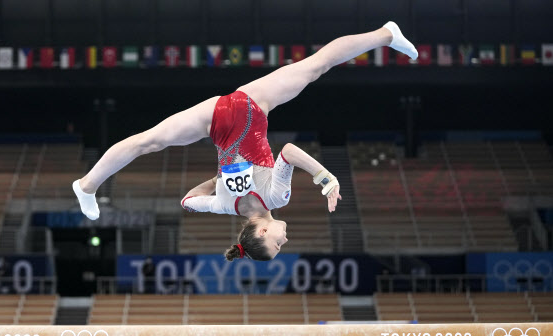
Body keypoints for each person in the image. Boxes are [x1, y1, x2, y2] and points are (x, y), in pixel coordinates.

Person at [72, 22, 418, 261]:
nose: (285, 241)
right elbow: (189, 202)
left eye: (277, 245)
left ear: (263, 230)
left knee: (317, 65)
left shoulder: (276, 197)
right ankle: (87, 185)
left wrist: (326, 178)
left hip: (248, 108)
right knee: (148, 142)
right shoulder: (226, 207)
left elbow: (289, 152)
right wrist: (218, 181)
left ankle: (386, 34)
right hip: (218, 122)